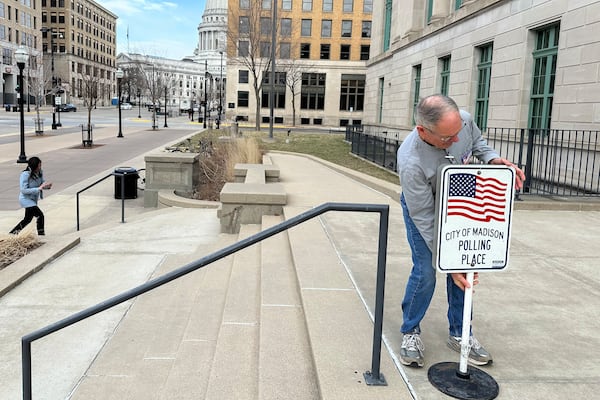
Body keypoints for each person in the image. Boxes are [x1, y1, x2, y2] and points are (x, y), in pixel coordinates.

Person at [396, 94, 525, 368]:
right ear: (423, 131)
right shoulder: (410, 161)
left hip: (461, 201)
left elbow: (477, 142)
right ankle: (410, 331)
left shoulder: (462, 121)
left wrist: (492, 159)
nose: (455, 141)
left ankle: (460, 333)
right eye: (446, 138)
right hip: (426, 210)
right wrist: (447, 259)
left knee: (466, 268)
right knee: (427, 270)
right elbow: (424, 217)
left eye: (457, 133)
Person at [10, 157, 52, 236]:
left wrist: (47, 186)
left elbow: (42, 183)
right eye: (38, 166)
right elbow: (23, 190)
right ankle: (41, 235)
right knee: (40, 215)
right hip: (26, 199)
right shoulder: (25, 174)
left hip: (33, 200)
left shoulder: (40, 172)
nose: (40, 167)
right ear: (34, 166)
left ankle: (12, 234)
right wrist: (38, 189)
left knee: (27, 219)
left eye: (40, 165)